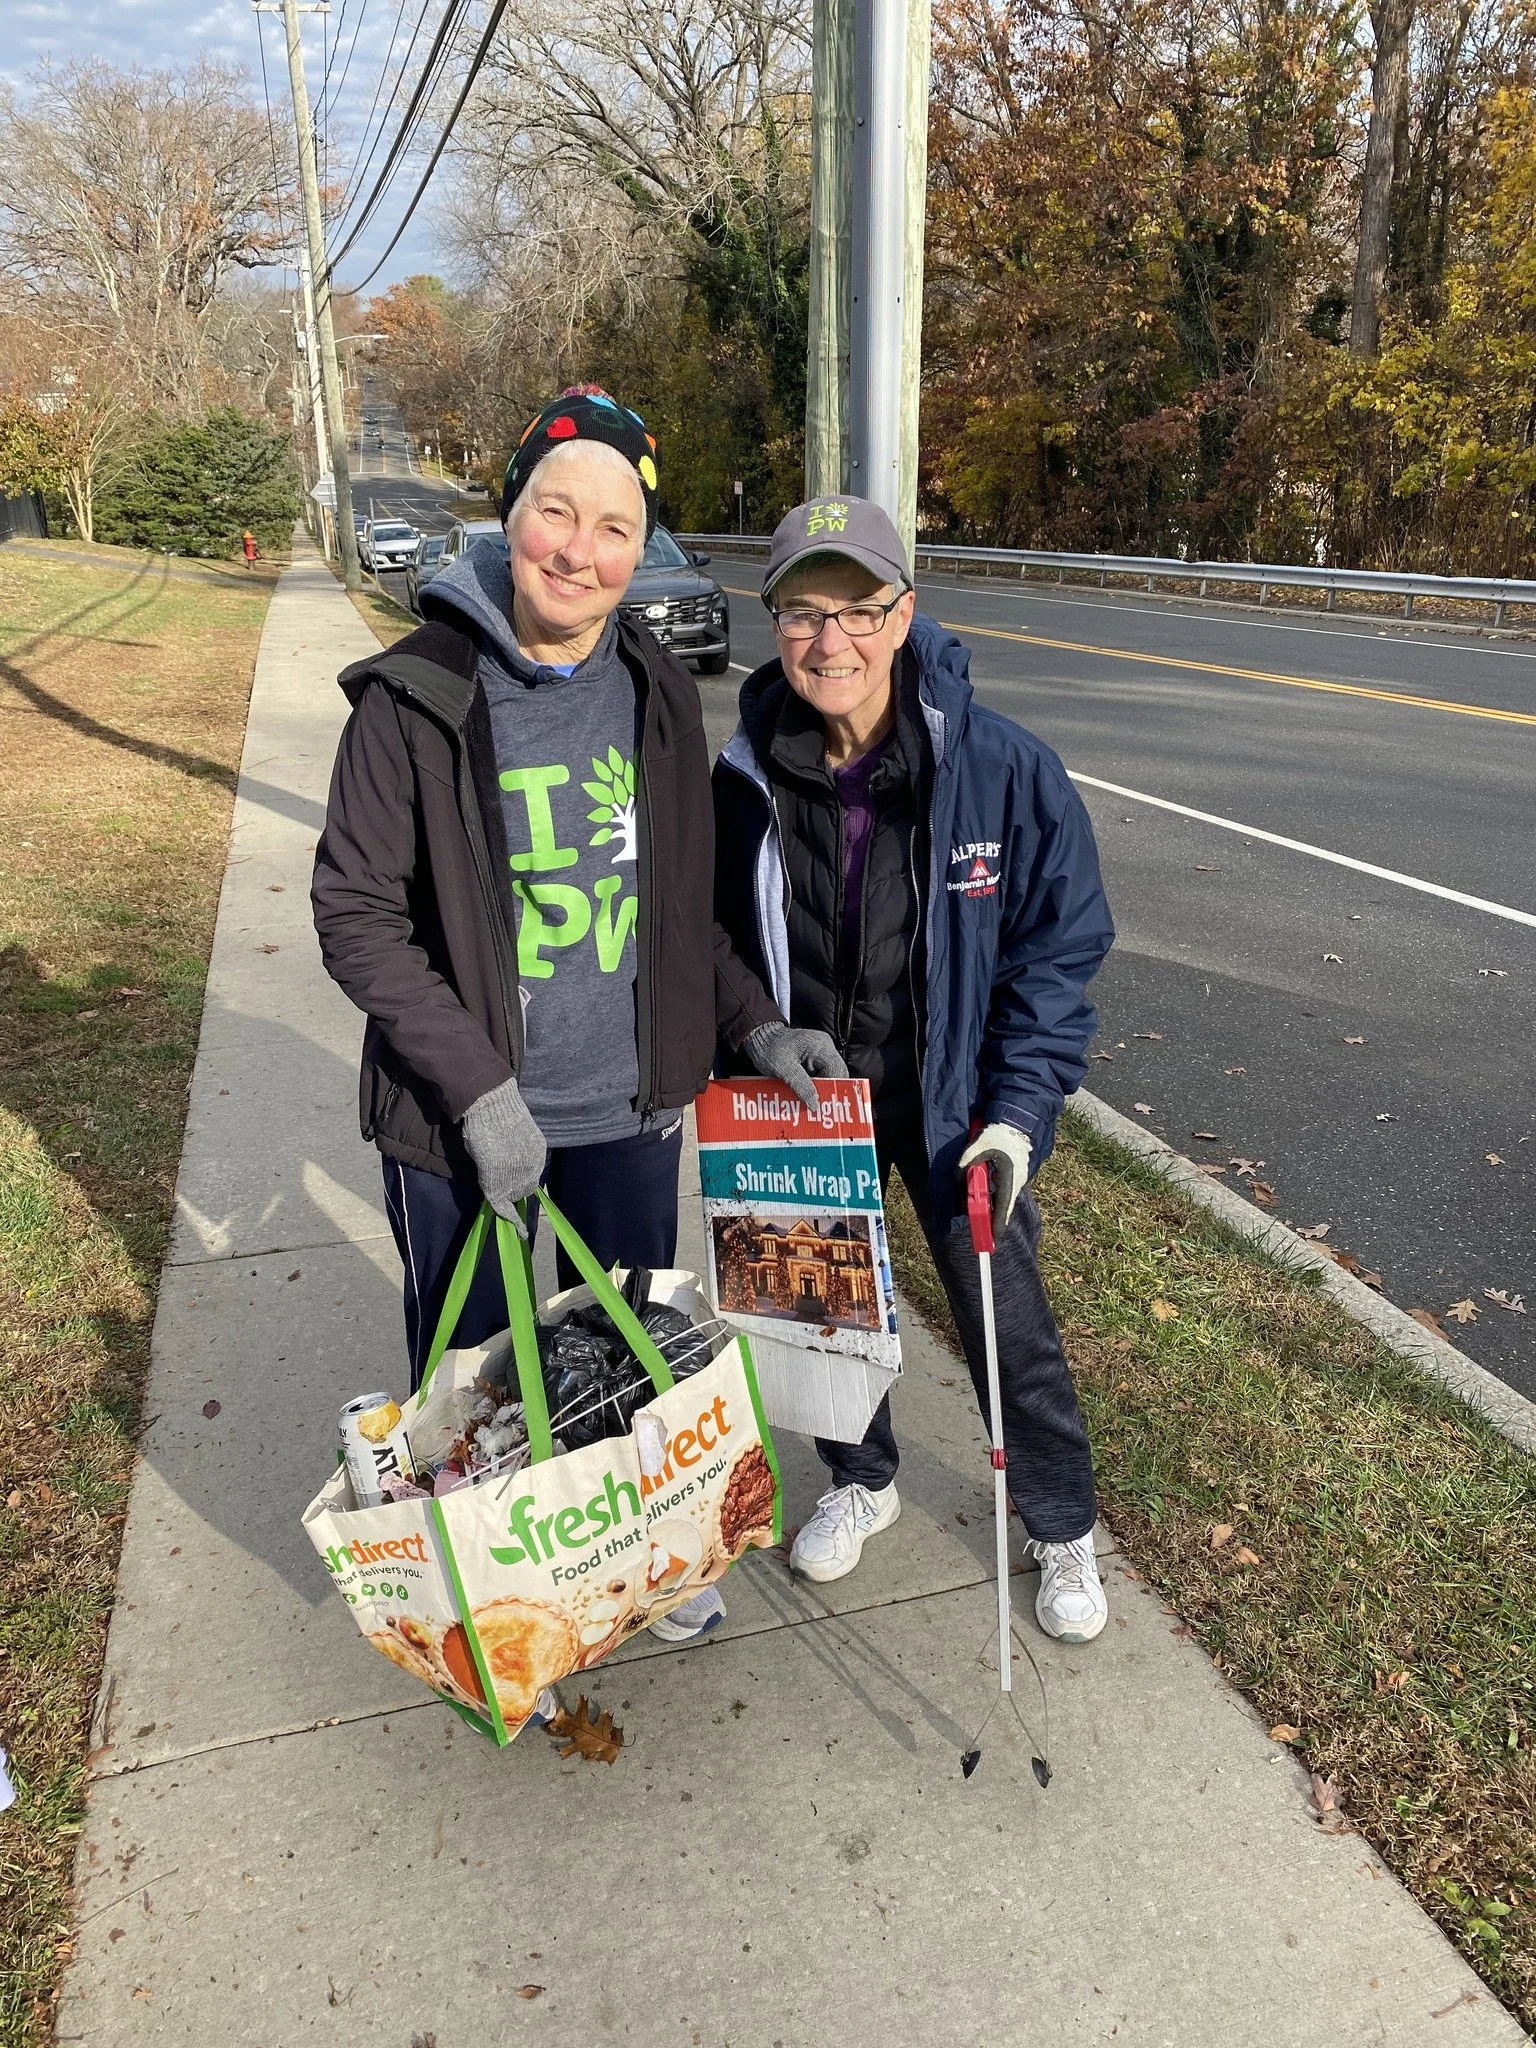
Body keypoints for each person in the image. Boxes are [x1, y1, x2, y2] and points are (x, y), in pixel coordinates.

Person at [312, 390, 837, 1637]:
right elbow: (356, 916)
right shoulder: (416, 695)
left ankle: (642, 1559)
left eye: (616, 524)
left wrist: (756, 1025)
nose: (579, 549)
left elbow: (682, 915)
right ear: (512, 511)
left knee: (625, 1356)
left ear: (639, 544)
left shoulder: (657, 689)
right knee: (483, 1381)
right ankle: (507, 1597)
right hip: (458, 1130)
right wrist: (480, 1090)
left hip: (622, 1110)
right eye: (558, 510)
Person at [711, 495, 1116, 1642]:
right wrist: (755, 1037)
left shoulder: (998, 768)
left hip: (952, 1099)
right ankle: (863, 1474)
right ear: (774, 620)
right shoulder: (743, 773)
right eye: (801, 611)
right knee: (814, 1309)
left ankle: (1061, 1522)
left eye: (857, 609)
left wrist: (1020, 1113)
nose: (829, 640)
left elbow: (1061, 941)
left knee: (1007, 1315)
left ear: (904, 616)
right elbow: (714, 938)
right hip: (806, 1094)